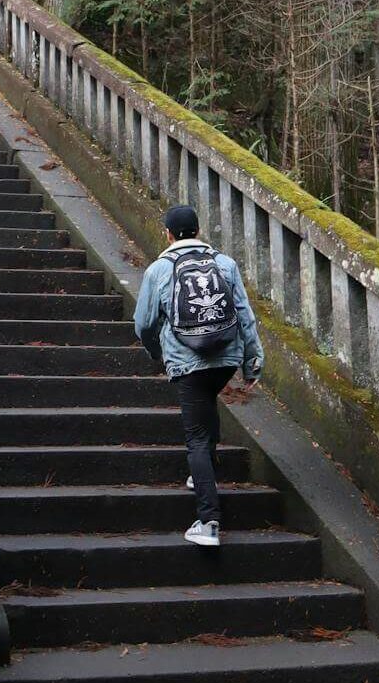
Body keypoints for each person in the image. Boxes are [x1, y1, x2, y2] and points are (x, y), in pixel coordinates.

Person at [134, 204, 264, 548]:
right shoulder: (225, 264)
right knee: (207, 406)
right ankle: (202, 475)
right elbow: (245, 315)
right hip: (225, 360)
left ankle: (208, 522)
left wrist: (157, 351)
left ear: (168, 234)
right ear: (198, 231)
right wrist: (252, 361)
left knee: (195, 439)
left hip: (186, 362)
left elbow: (144, 323)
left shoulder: (159, 270)